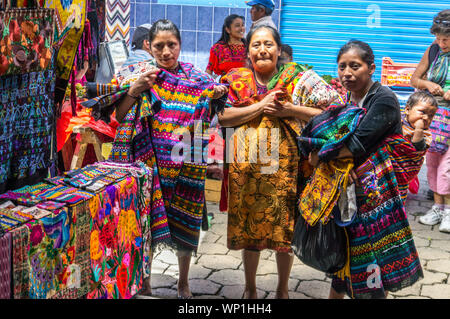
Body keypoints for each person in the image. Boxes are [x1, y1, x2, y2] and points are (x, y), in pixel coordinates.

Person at [100, 19, 228, 299]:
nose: (167, 51)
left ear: (180, 45)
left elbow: (221, 96)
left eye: (172, 45)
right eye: (159, 46)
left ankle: (183, 282)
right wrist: (135, 90)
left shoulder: (196, 77)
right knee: (146, 223)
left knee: (186, 220)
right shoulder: (140, 76)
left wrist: (219, 93)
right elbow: (118, 117)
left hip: (188, 161)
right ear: (149, 46)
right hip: (149, 162)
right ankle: (144, 281)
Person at [308, 40, 424, 299]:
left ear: (371, 68)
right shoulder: (348, 99)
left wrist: (321, 155)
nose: (347, 72)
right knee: (344, 262)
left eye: (354, 66)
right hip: (350, 193)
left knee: (370, 268)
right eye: (342, 67)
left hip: (376, 197)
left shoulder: (383, 99)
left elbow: (357, 144)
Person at [218, 25, 323, 299]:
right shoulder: (235, 79)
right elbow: (222, 116)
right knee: (250, 234)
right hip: (247, 171)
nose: (262, 50)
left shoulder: (298, 78)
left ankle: (282, 289)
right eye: (255, 45)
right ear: (248, 50)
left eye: (268, 44)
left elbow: (325, 112)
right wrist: (260, 106)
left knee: (285, 235)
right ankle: (250, 289)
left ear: (278, 49)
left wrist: (289, 109)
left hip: (288, 171)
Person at [410, 9, 450, 233]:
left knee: (447, 166)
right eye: (438, 37)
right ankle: (437, 208)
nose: (441, 43)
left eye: (445, 39)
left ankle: (448, 212)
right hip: (433, 116)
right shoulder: (433, 50)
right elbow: (414, 78)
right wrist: (427, 85)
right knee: (433, 162)